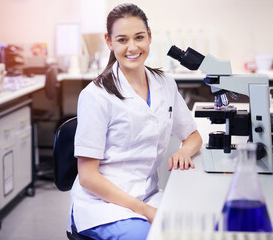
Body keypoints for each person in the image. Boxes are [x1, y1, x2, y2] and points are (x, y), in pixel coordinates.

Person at [69, 3, 202, 240]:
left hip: (148, 195)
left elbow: (193, 137)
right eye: (122, 40)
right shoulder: (96, 95)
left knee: (194, 229)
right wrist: (144, 211)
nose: (132, 47)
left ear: (149, 37)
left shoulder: (165, 83)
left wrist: (185, 151)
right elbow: (88, 177)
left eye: (139, 37)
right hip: (104, 207)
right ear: (109, 42)